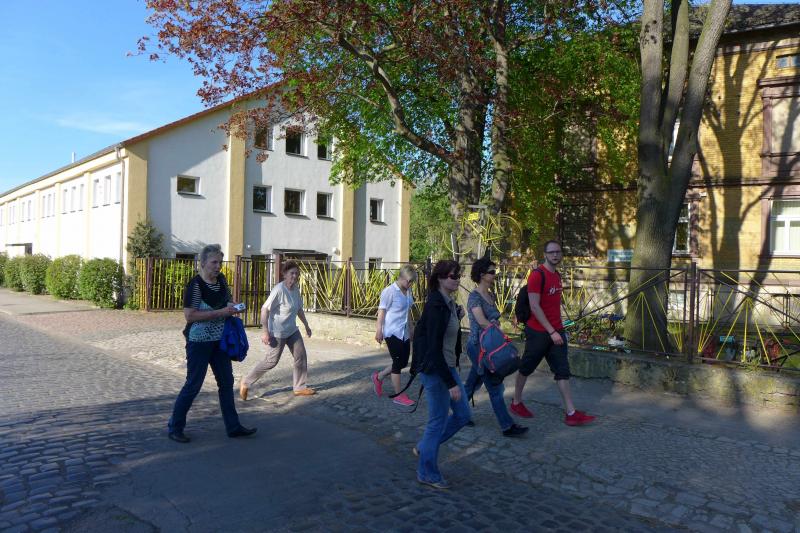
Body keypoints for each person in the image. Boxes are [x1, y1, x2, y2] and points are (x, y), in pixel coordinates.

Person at [168, 244, 257, 443]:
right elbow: (190, 316)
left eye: (220, 262)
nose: (218, 266)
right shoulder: (196, 285)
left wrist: (234, 307)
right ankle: (175, 427)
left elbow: (226, 301)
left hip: (220, 341)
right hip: (199, 342)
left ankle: (233, 427)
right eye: (214, 262)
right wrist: (220, 313)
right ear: (203, 263)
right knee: (193, 384)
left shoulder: (221, 281)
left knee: (226, 383)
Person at [510, 240, 596, 426]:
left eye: (558, 252)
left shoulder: (557, 276)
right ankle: (516, 402)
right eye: (551, 252)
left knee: (562, 370)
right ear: (545, 254)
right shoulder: (537, 276)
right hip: (538, 332)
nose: (555, 255)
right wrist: (551, 331)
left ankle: (571, 413)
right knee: (526, 367)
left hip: (556, 330)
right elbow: (534, 306)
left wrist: (558, 329)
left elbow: (553, 306)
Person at [413, 260, 472, 489]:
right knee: (437, 422)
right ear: (439, 278)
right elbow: (433, 349)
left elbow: (449, 337)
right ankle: (427, 472)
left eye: (458, 276)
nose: (457, 279)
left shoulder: (448, 304)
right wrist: (450, 383)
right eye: (452, 276)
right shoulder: (436, 306)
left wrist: (456, 314)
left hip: (448, 367)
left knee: (463, 415)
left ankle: (424, 447)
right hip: (436, 370)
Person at [464, 258, 528, 437]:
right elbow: (482, 322)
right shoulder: (474, 297)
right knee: (494, 386)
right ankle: (507, 426)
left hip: (490, 346)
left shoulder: (490, 295)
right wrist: (500, 334)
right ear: (482, 275)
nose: (495, 275)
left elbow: (493, 320)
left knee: (473, 383)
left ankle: (458, 411)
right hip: (478, 347)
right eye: (492, 272)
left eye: (495, 271)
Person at [239, 260, 316, 400]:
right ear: (284, 274)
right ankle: (246, 381)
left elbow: (299, 309)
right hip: (277, 332)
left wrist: (306, 325)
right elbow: (264, 309)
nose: (294, 276)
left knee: (301, 356)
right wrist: (265, 331)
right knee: (271, 361)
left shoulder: (296, 289)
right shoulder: (279, 290)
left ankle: (299, 387)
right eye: (292, 273)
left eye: (297, 274)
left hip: (292, 330)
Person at [371, 265, 418, 406]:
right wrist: (379, 330)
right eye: (409, 281)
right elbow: (382, 311)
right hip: (392, 332)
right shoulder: (389, 291)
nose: (410, 284)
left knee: (403, 362)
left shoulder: (408, 291)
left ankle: (378, 377)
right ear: (402, 277)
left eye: (412, 282)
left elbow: (408, 311)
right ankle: (398, 395)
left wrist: (411, 328)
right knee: (398, 363)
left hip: (404, 332)